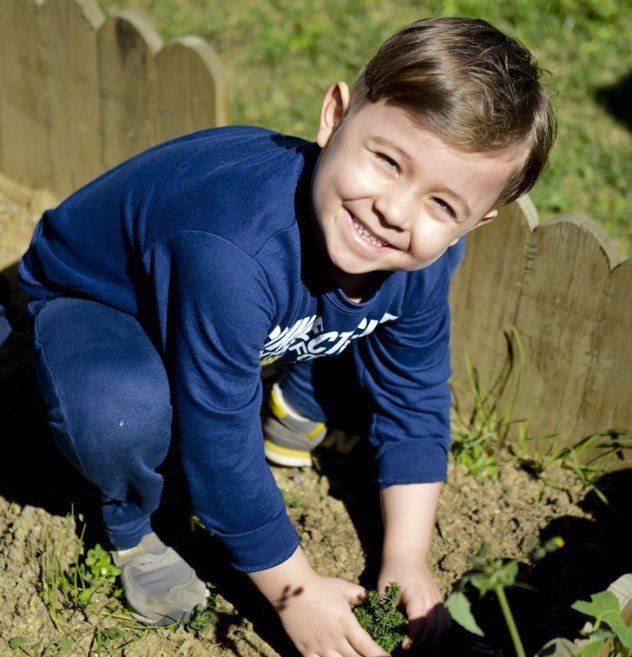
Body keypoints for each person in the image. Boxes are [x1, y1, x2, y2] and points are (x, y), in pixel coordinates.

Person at [18, 16, 554, 656]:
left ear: (477, 222)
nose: (395, 210)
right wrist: (294, 593)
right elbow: (217, 438)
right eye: (387, 161)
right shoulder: (231, 251)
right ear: (335, 116)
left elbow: (414, 394)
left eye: (443, 205)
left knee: (355, 323)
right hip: (98, 304)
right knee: (123, 415)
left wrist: (408, 558)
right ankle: (134, 520)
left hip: (227, 312)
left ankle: (295, 403)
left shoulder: (423, 257)